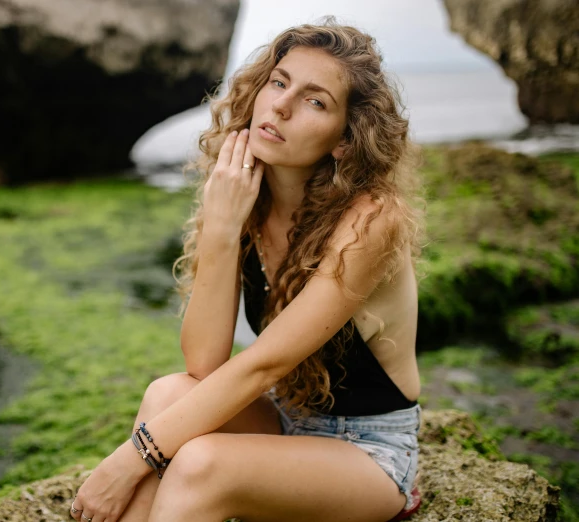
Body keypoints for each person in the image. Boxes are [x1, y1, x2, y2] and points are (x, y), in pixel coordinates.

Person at [70, 15, 426, 522]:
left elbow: (264, 365)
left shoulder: (371, 219)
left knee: (199, 464)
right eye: (279, 82)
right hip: (287, 424)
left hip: (370, 452)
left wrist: (130, 460)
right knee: (167, 392)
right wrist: (220, 229)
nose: (281, 104)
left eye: (314, 100)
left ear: (345, 140)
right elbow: (204, 364)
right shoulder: (245, 198)